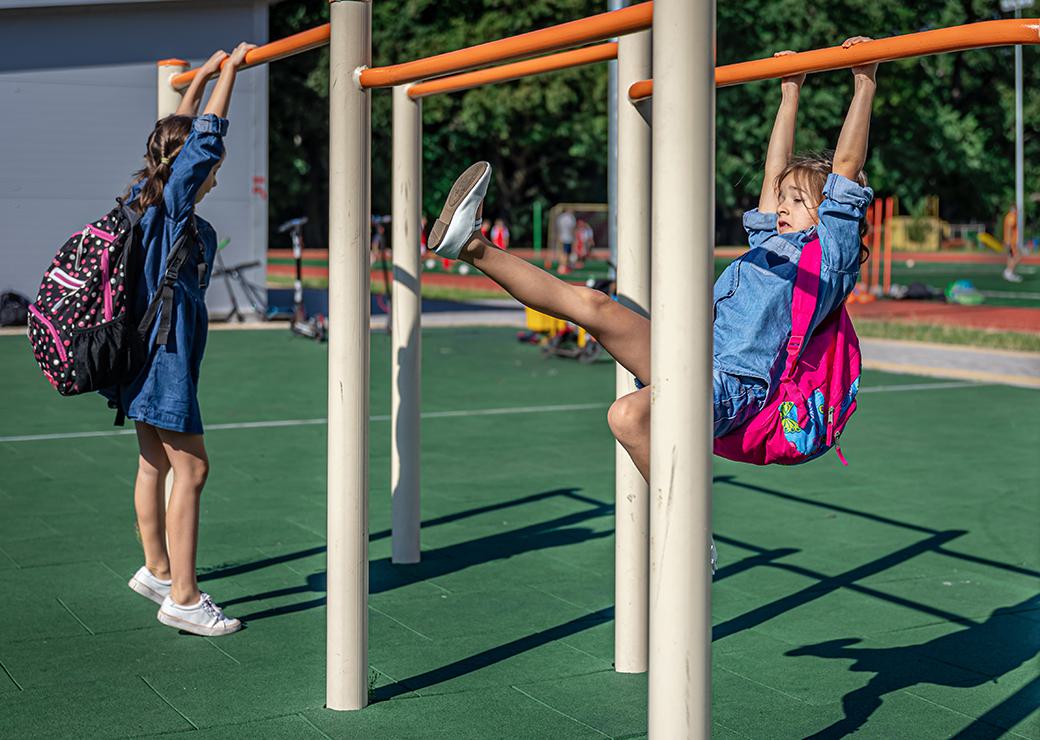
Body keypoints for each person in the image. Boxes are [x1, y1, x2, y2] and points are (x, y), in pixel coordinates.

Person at [426, 37, 878, 571]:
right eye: (780, 200)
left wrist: (864, 76)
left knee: (627, 415)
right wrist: (789, 94)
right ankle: (471, 246)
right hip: (693, 359)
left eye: (797, 202)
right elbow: (771, 174)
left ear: (827, 215)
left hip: (735, 387)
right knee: (594, 305)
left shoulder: (828, 261)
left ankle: (689, 533)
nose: (780, 207)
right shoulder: (768, 244)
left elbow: (846, 166)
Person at [107, 43, 256, 636]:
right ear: (189, 164)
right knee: (190, 471)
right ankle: (185, 598)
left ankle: (157, 570)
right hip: (163, 356)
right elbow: (205, 140)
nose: (216, 173)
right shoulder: (172, 207)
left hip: (141, 353)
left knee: (153, 462)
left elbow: (172, 135)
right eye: (208, 166)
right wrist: (229, 73)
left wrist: (190, 90)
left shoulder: (145, 197)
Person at [1002, 205, 1023, 283]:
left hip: (1010, 241)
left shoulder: (1009, 216)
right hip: (1012, 241)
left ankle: (1009, 272)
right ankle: (1008, 272)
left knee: (1011, 256)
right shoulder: (1011, 217)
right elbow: (1010, 229)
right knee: (1018, 256)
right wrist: (1008, 241)